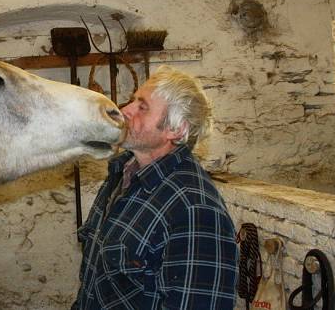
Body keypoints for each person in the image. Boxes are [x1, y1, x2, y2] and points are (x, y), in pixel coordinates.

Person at [73, 66, 239, 309]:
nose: (125, 111)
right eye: (132, 101)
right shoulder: (122, 174)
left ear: (175, 129)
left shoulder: (194, 210)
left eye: (142, 107)